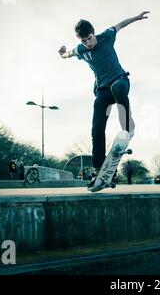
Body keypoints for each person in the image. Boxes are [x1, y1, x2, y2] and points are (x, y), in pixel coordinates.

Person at [59, 12, 149, 188]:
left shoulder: (106, 36)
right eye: (84, 40)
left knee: (117, 88)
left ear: (94, 33)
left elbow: (121, 23)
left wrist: (136, 17)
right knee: (96, 130)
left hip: (120, 81)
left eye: (90, 38)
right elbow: (68, 54)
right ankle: (100, 170)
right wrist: (62, 53)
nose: (88, 43)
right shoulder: (81, 49)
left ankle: (128, 126)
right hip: (102, 90)